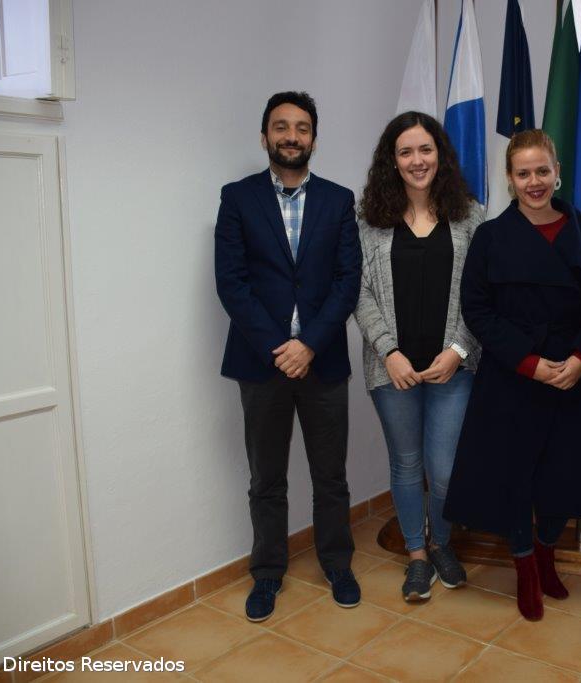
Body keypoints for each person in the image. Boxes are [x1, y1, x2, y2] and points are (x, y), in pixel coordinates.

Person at [444, 129, 581, 621]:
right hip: (513, 373)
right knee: (513, 478)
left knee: (566, 475)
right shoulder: (491, 236)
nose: (535, 182)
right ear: (510, 178)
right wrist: (527, 362)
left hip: (571, 373)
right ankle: (523, 566)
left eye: (543, 171)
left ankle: (545, 552)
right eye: (524, 173)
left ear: (557, 171)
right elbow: (477, 310)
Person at [214, 91, 362, 622]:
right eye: (281, 127)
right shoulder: (237, 198)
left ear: (314, 140)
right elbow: (232, 284)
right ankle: (268, 574)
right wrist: (281, 349)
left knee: (331, 477)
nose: (291, 136)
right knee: (266, 479)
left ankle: (338, 565)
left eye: (301, 128)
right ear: (264, 137)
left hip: (321, 361)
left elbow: (348, 282)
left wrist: (310, 344)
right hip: (261, 363)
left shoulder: (340, 200)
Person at [354, 111, 483, 601]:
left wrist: (458, 349)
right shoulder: (368, 221)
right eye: (405, 151)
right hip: (394, 371)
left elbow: (480, 292)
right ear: (392, 159)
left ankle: (443, 540)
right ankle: (416, 555)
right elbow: (360, 293)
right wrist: (389, 352)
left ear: (440, 155)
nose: (416, 160)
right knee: (406, 465)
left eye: (425, 149)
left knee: (445, 468)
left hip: (454, 367)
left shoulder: (471, 215)